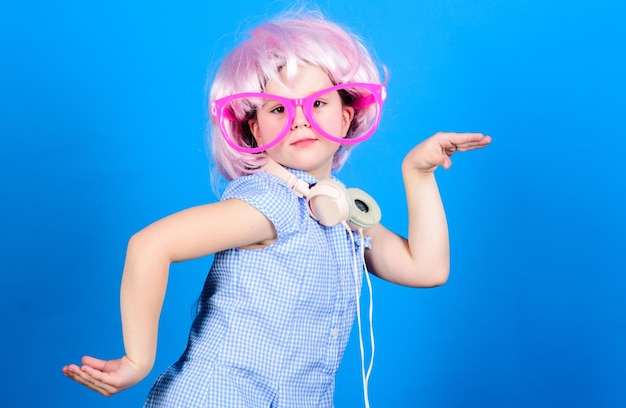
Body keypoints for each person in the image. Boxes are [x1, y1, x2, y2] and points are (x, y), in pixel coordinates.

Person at [62, 10, 491, 408]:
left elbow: (427, 268)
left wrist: (418, 174)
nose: (301, 120)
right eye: (278, 109)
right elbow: (151, 244)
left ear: (348, 114)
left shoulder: (337, 212)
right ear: (254, 128)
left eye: (318, 102)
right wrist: (138, 359)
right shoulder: (271, 201)